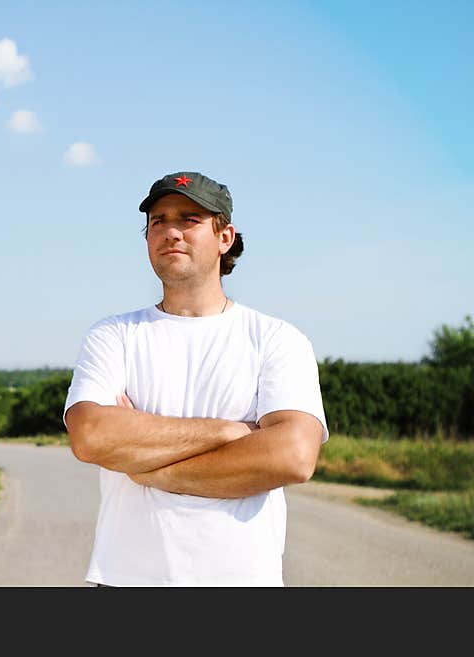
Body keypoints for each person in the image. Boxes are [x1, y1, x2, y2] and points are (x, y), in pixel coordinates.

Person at [63, 170, 329, 586]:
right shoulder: (114, 335)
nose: (171, 231)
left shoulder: (276, 339)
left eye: (189, 219)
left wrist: (150, 469)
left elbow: (292, 456)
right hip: (126, 580)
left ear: (225, 238)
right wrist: (228, 432)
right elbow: (91, 436)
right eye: (158, 221)